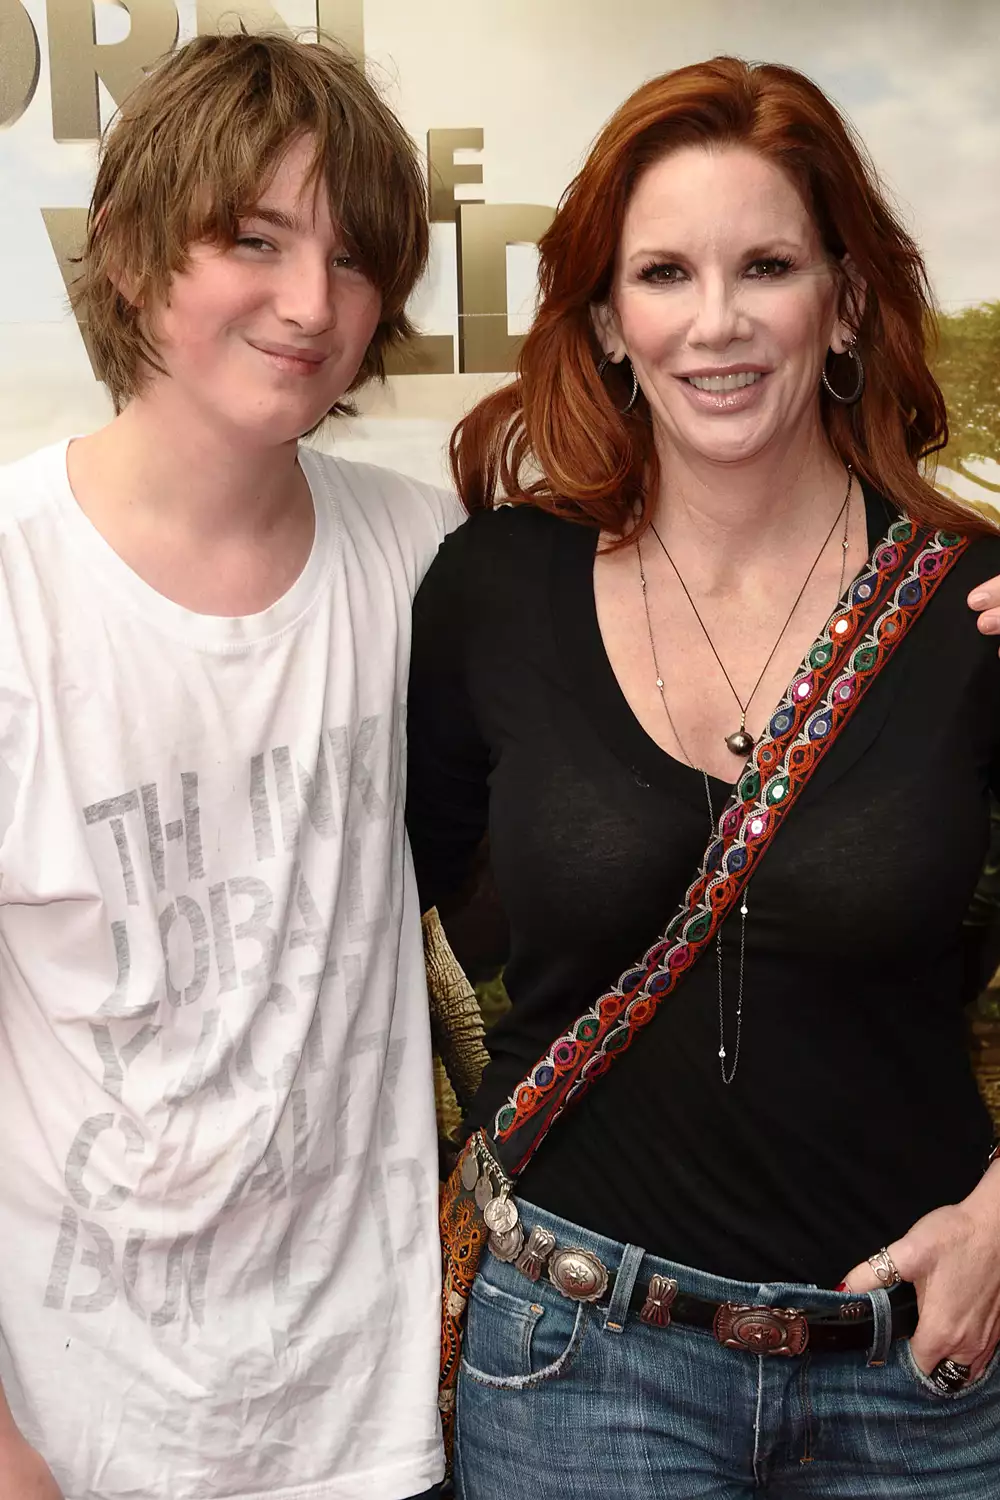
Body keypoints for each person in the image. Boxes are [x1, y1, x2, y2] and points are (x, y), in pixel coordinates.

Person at [407, 57, 1000, 1498]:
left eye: (770, 266)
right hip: (576, 1366)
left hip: (919, 1371)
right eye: (664, 272)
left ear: (845, 301)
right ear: (609, 318)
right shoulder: (495, 587)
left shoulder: (978, 607)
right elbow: (351, 921)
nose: (718, 322)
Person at [0, 33, 459, 1500]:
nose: (310, 304)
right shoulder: (17, 583)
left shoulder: (418, 551)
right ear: (130, 255)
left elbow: (697, 634)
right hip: (82, 1431)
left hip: (375, 1425)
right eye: (253, 239)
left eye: (351, 256)